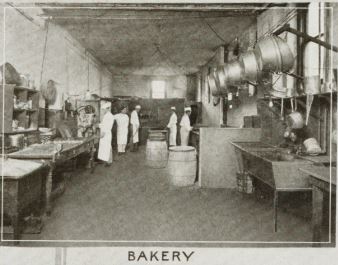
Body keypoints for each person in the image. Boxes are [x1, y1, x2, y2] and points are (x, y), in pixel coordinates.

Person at [98, 102, 115, 166]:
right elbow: (103, 124)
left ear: (107, 109)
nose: (103, 111)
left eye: (104, 109)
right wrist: (98, 125)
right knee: (107, 147)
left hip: (106, 134)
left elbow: (107, 126)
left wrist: (103, 133)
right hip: (105, 133)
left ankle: (108, 162)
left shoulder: (109, 116)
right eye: (102, 109)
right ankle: (107, 161)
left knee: (107, 148)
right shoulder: (107, 115)